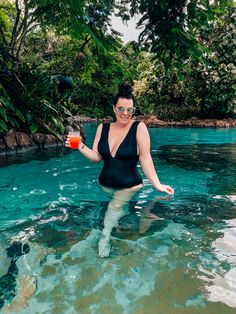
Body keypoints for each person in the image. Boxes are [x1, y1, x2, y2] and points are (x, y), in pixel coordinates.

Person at [66, 82, 174, 257]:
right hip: (104, 187)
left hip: (129, 186)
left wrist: (157, 184)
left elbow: (145, 158)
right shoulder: (103, 127)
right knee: (114, 209)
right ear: (114, 108)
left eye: (130, 110)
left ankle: (105, 237)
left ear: (133, 110)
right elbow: (96, 157)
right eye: (121, 109)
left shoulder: (139, 127)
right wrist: (79, 145)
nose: (125, 114)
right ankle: (123, 220)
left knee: (115, 205)